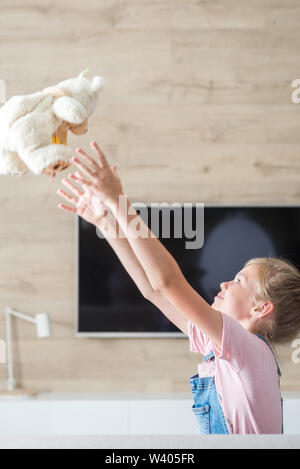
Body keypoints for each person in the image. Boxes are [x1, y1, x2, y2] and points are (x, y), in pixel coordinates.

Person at [57, 141, 300, 434]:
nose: (225, 282)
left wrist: (120, 202)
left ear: (261, 308)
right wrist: (105, 222)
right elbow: (152, 289)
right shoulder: (228, 349)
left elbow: (167, 281)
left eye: (239, 281)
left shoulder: (250, 350)